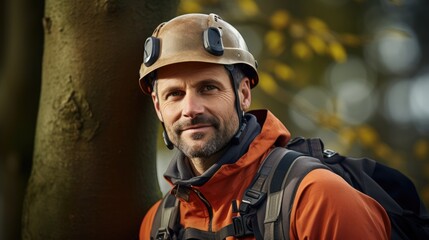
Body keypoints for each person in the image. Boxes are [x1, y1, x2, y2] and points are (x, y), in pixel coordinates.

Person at [138, 13, 391, 240]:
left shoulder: (317, 199)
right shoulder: (157, 225)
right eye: (174, 94)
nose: (191, 109)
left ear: (244, 94)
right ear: (158, 106)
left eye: (208, 88)